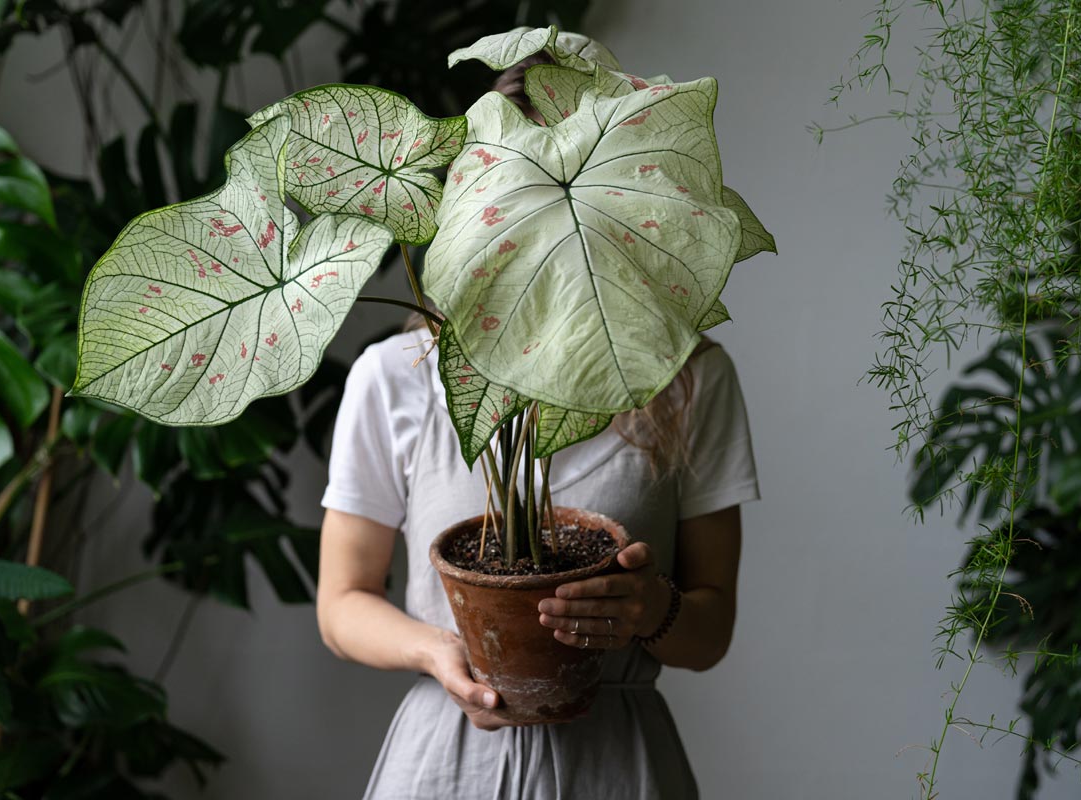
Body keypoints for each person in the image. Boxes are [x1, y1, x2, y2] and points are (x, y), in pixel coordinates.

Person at [316, 56, 761, 800]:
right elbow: (341, 604)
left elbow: (709, 633)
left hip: (617, 763)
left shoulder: (687, 377)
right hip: (448, 760)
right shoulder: (398, 375)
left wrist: (651, 608)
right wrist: (442, 654)